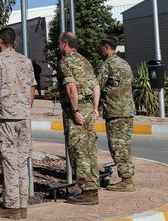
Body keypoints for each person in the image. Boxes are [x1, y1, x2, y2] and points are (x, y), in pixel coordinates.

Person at [0, 27, 37, 219]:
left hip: (5, 117)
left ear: (0, 41)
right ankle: (22, 204)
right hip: (23, 117)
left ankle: (11, 205)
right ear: (14, 42)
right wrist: (25, 107)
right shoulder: (25, 60)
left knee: (8, 161)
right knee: (22, 160)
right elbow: (32, 88)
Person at [57, 32, 101, 205]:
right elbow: (96, 86)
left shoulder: (65, 62)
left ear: (65, 44)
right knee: (90, 148)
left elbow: (71, 87)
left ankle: (88, 192)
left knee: (78, 150)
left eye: (59, 43)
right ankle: (92, 187)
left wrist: (75, 110)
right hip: (89, 108)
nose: (58, 46)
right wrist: (95, 108)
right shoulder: (85, 61)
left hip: (76, 110)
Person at [98, 37, 136, 192]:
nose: (99, 50)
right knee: (124, 146)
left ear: (106, 47)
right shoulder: (124, 63)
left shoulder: (108, 65)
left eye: (100, 47)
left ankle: (127, 181)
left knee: (117, 147)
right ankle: (127, 178)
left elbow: (97, 85)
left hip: (115, 112)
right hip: (127, 111)